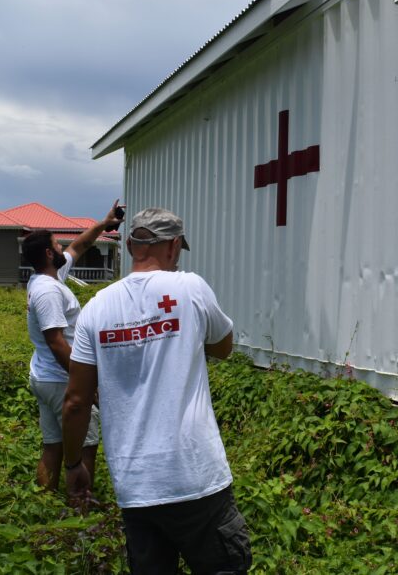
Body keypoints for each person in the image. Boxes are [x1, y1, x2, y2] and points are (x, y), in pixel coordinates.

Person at [62, 207, 251, 574]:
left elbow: (75, 402)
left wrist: (74, 465)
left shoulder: (95, 309)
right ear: (174, 246)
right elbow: (223, 347)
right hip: (197, 480)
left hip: (136, 488)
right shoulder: (189, 288)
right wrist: (182, 335)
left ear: (131, 245)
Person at [23, 199, 124, 491]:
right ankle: (80, 509)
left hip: (46, 378)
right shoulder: (48, 292)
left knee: (53, 444)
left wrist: (105, 224)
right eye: (57, 245)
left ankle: (44, 500)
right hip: (61, 380)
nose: (61, 248)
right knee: (84, 447)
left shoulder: (49, 277)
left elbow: (79, 246)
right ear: (47, 253)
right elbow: (55, 342)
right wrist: (85, 382)